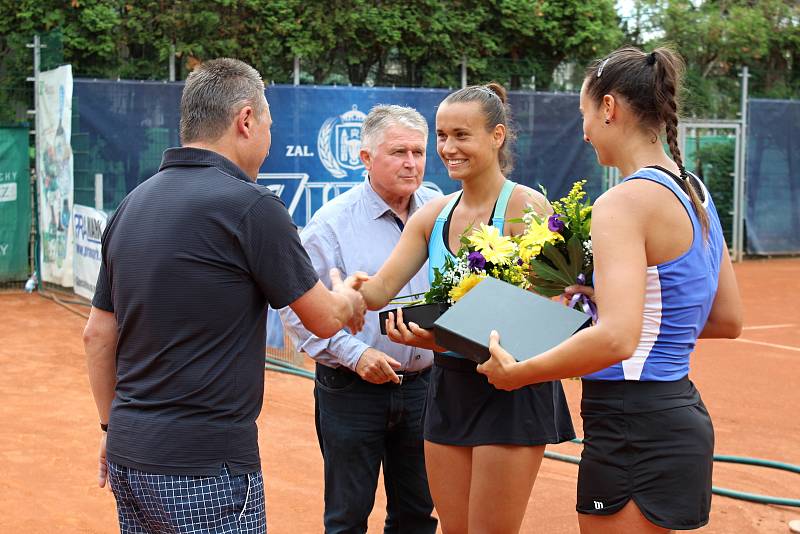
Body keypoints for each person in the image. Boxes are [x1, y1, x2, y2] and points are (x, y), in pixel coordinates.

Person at [83, 58, 366, 534]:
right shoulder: (253, 207)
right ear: (246, 120)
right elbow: (323, 319)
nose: (269, 139)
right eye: (268, 125)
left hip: (129, 453)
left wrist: (113, 430)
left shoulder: (130, 205)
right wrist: (349, 297)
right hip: (206, 466)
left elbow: (96, 335)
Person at [477, 47, 743, 533]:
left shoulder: (622, 202)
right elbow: (726, 319)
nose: (583, 131)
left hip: (631, 425)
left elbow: (619, 339)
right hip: (678, 417)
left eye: (585, 115)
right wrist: (624, 307)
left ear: (609, 108)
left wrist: (521, 373)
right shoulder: (694, 189)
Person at [359, 83, 576, 534]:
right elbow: (379, 291)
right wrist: (346, 292)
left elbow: (546, 317)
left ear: (497, 136)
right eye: (442, 135)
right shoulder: (431, 215)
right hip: (450, 386)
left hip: (512, 390)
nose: (447, 148)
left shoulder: (525, 207)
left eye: (462, 135)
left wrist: (446, 334)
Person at [279, 104, 440, 534]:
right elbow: (297, 310)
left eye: (419, 152)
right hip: (351, 391)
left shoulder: (442, 214)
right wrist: (356, 354)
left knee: (417, 516)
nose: (411, 163)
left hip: (425, 388)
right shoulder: (329, 225)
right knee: (347, 518)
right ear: (366, 158)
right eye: (398, 152)